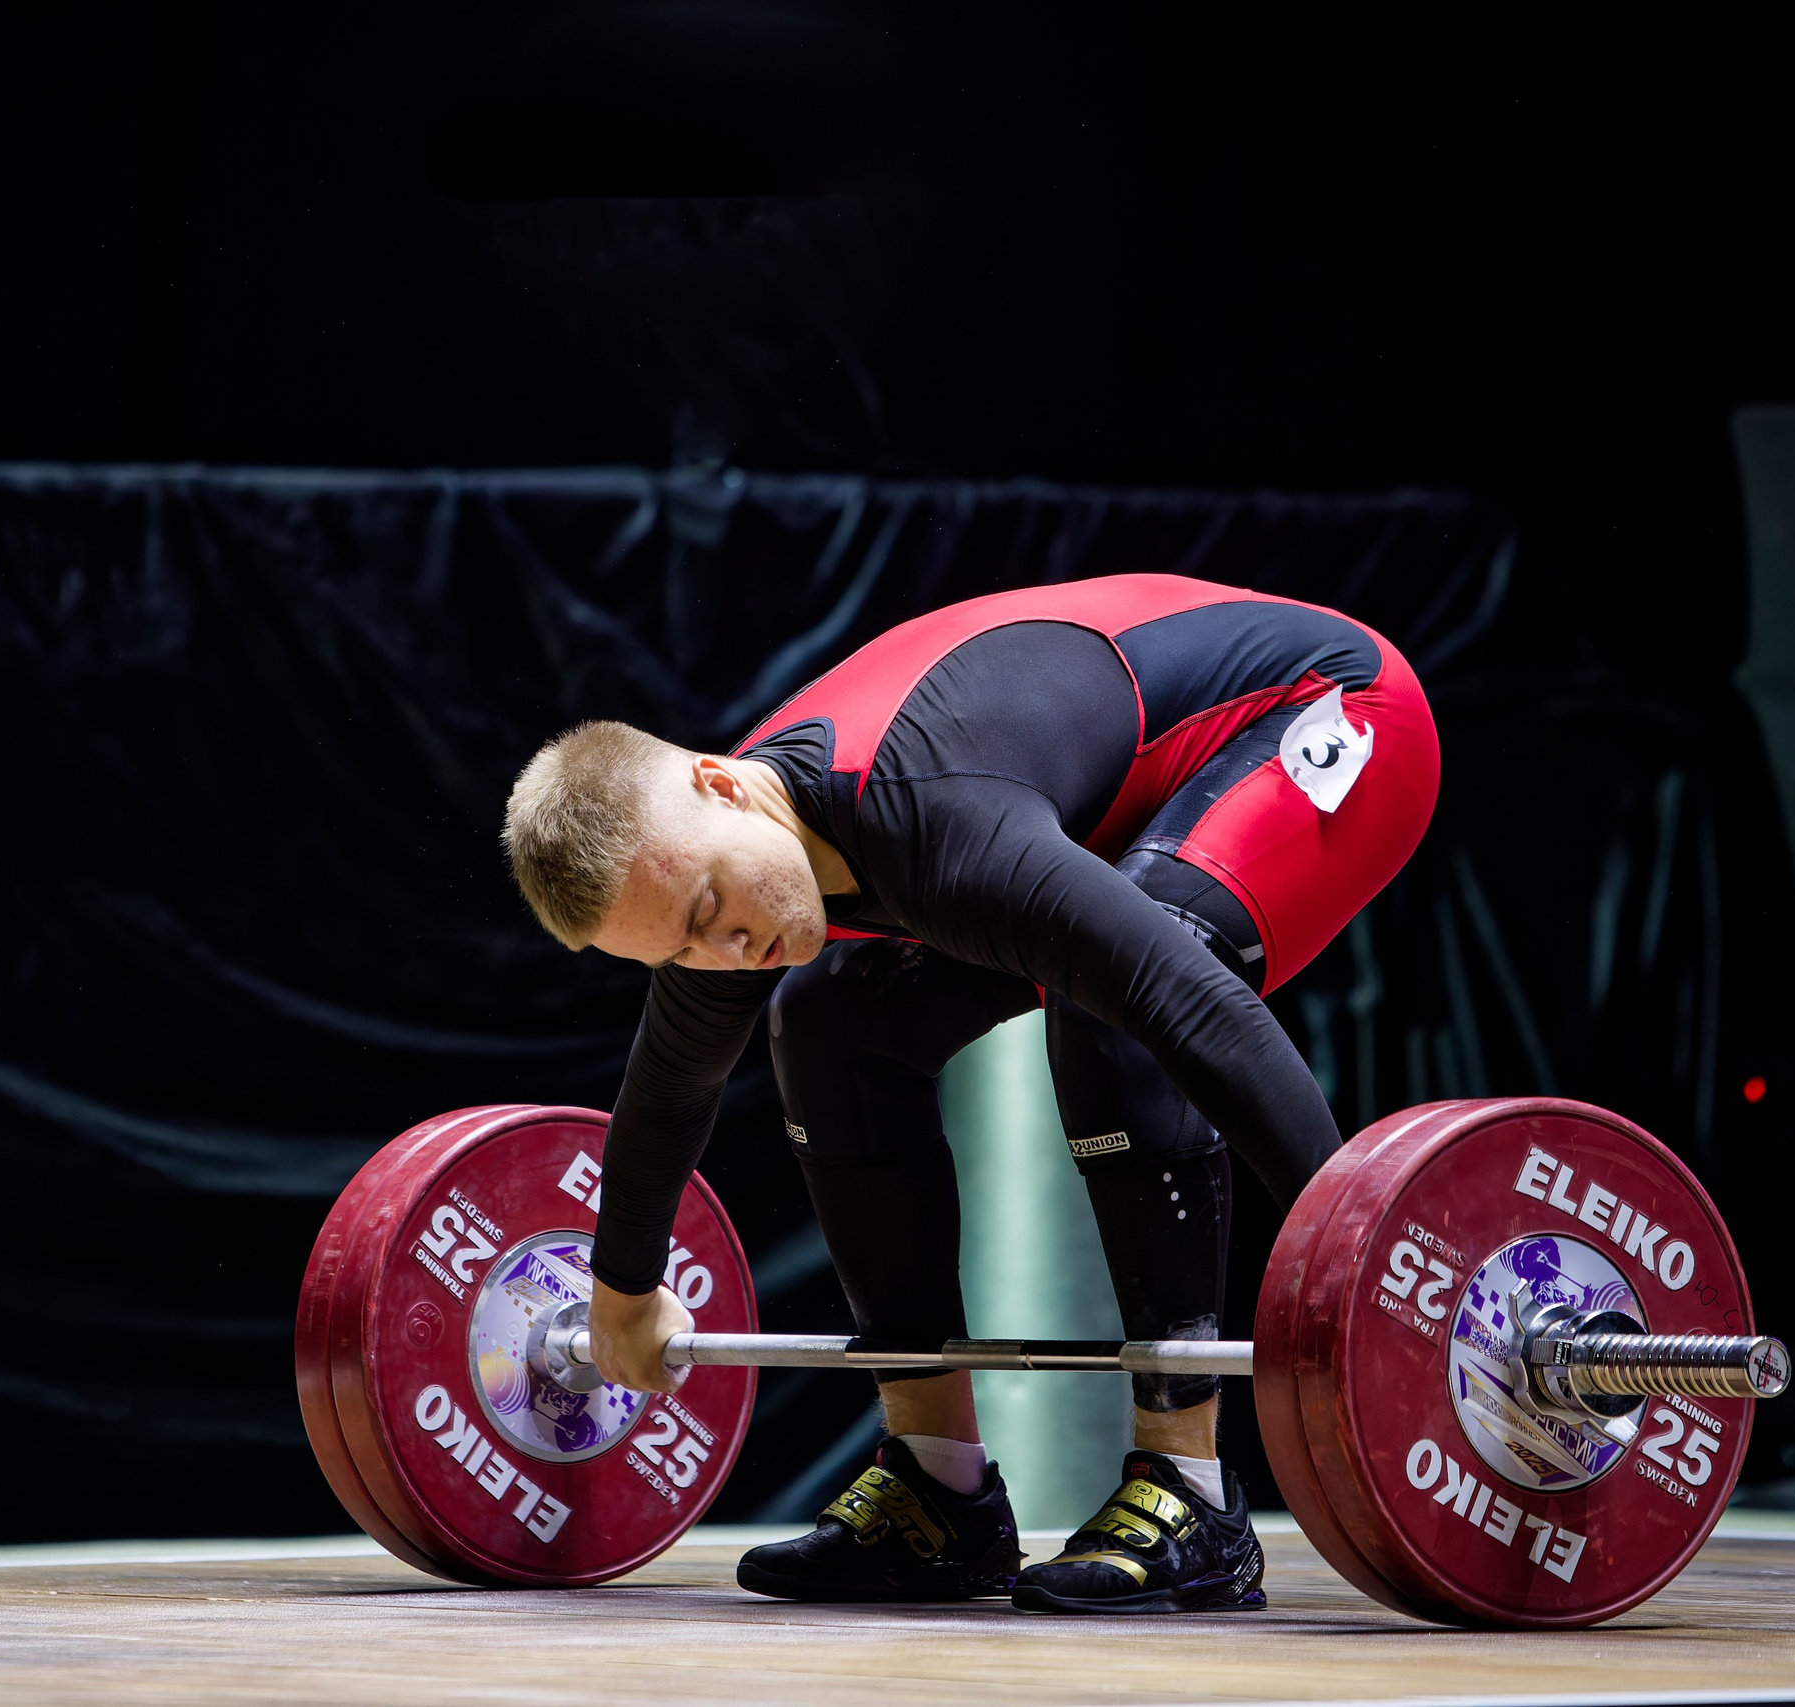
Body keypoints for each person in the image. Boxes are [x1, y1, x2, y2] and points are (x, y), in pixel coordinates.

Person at [500, 573, 1438, 1614]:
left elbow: (1189, 1005)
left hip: (1325, 710)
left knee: (1123, 993)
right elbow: (668, 1086)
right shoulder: (721, 870)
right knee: (821, 1020)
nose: (725, 948)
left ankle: (1191, 1487)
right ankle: (935, 1490)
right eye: (682, 946)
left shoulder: (930, 814)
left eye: (710, 907)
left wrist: (1362, 1268)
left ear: (724, 784)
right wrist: (622, 1294)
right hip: (1093, 812)